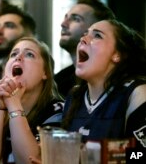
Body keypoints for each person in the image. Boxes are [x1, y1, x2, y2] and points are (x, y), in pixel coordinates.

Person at [0, 37, 64, 164]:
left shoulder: (57, 110)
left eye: (29, 54)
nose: (18, 57)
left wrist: (14, 105)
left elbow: (31, 161)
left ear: (45, 72)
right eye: (13, 54)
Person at [61, 19, 146, 147]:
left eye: (97, 35)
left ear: (117, 54)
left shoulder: (136, 92)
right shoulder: (74, 96)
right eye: (85, 34)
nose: (82, 39)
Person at [54, 0, 115, 98]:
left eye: (75, 19)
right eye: (66, 17)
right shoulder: (59, 81)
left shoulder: (115, 83)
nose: (63, 24)